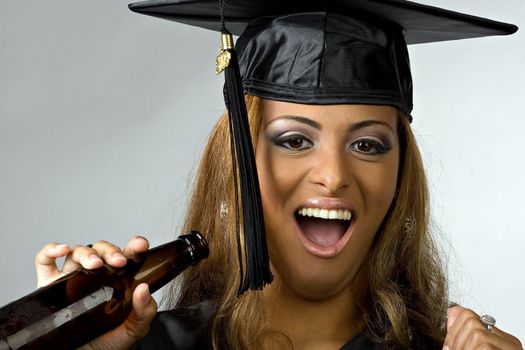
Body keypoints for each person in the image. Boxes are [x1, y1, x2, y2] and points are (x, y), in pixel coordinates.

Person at [34, 0, 523, 349]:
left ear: (400, 180)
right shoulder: (145, 345)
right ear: (237, 165)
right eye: (294, 141)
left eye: (367, 145)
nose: (333, 176)